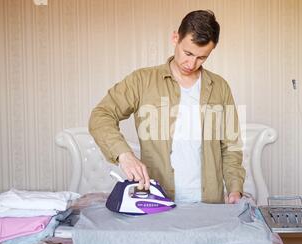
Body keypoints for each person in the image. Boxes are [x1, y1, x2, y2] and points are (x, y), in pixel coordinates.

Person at [89, 10, 245, 204]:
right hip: (156, 200)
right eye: (188, 53)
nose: (192, 63)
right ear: (175, 37)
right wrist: (124, 155)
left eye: (201, 57)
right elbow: (100, 115)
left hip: (209, 204)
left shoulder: (220, 87)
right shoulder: (142, 81)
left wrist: (235, 188)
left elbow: (231, 146)